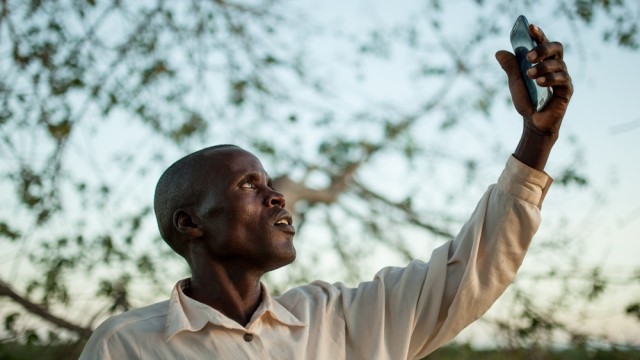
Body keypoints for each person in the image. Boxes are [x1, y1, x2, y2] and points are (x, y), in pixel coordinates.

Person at [79, 23, 573, 359]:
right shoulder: (125, 346)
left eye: (272, 184)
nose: (276, 197)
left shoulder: (333, 318)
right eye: (249, 184)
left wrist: (537, 138)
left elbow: (469, 272)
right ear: (190, 223)